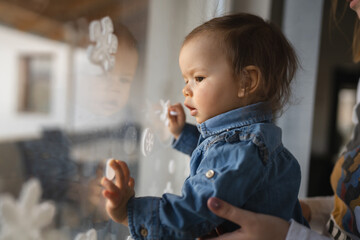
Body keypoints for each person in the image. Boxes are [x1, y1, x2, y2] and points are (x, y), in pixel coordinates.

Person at [101, 13, 308, 239]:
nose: (186, 90)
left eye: (198, 78)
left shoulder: (243, 148)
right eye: (185, 79)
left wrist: (128, 212)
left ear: (246, 82)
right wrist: (182, 134)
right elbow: (218, 161)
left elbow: (191, 215)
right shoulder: (249, 140)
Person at [206, 0, 360, 239]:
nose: (351, 3)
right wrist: (306, 211)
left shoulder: (252, 146)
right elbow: (352, 205)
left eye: (199, 77)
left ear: (247, 82)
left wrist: (286, 235)